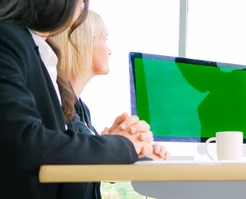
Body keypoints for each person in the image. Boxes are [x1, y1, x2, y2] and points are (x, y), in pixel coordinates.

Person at [0, 0, 153, 199]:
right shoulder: (8, 41)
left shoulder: (38, 51)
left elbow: (50, 158)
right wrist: (121, 146)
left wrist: (105, 143)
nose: (82, 1)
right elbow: (24, 144)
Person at [51, 10, 170, 198]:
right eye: (104, 39)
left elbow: (88, 164)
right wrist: (113, 145)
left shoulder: (81, 109)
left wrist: (132, 151)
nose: (109, 50)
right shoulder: (55, 105)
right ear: (82, 44)